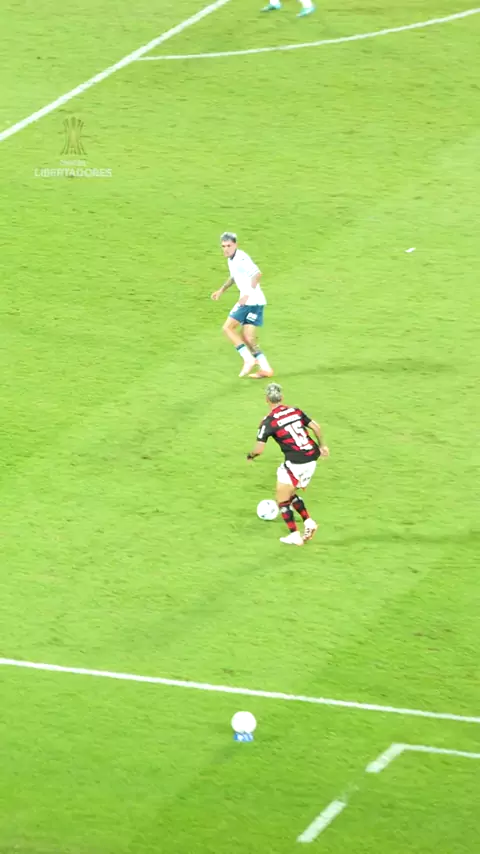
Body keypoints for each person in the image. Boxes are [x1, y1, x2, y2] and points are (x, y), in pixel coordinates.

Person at [247, 383, 329, 546]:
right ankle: (309, 523)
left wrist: (251, 456)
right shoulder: (295, 411)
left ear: (266, 399)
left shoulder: (268, 422)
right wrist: (322, 446)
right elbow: (316, 427)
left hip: (296, 463)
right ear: (282, 397)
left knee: (282, 499)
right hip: (312, 459)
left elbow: (259, 449)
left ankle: (295, 536)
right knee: (289, 493)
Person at [211, 232, 274, 379]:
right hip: (254, 302)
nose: (226, 249)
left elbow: (257, 274)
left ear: (236, 245)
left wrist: (247, 294)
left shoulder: (242, 258)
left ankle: (248, 359)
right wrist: (221, 290)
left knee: (227, 328)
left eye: (229, 246)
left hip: (250, 301)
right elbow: (234, 276)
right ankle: (266, 368)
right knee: (247, 337)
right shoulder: (232, 259)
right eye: (223, 246)